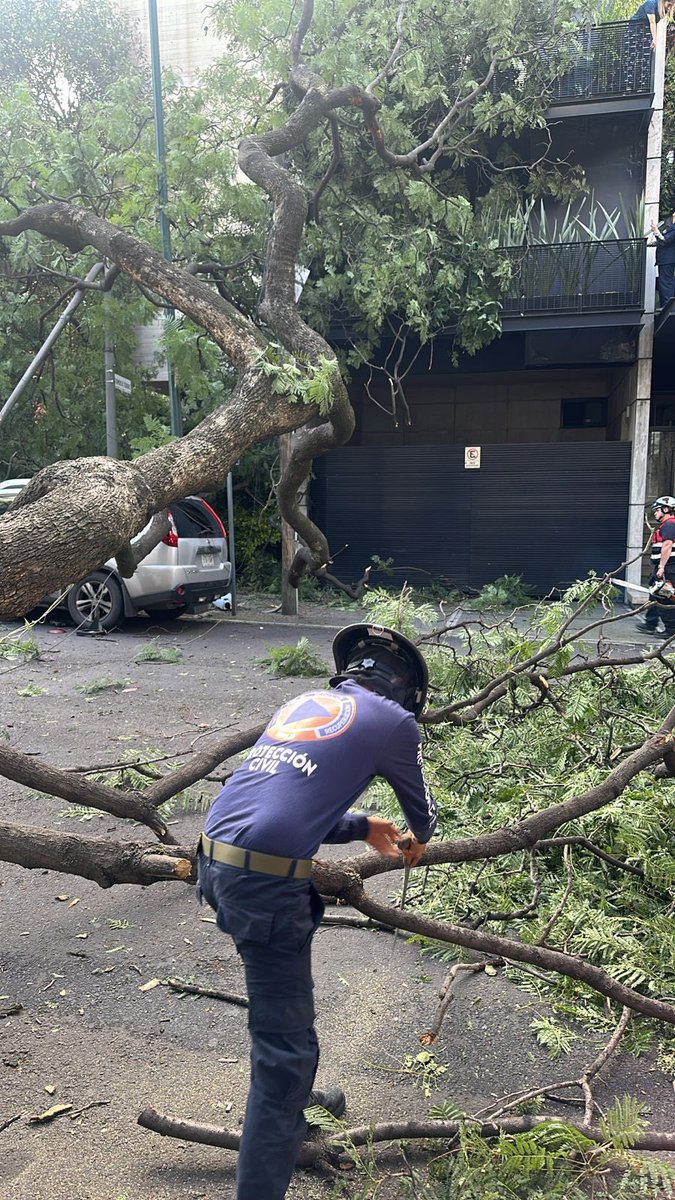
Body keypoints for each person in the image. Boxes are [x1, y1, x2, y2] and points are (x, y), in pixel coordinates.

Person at [197, 623, 437, 1200]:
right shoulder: (396, 722)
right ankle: (276, 1135)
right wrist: (416, 838)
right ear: (407, 694)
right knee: (286, 1053)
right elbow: (422, 813)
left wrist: (361, 825)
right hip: (262, 886)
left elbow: (283, 800)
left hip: (214, 860)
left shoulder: (304, 701)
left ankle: (297, 1108)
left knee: (283, 1005)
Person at [636, 497, 675, 637]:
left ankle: (671, 630)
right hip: (663, 568)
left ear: (666, 509)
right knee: (654, 595)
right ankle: (650, 623)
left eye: (657, 510)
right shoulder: (666, 525)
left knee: (665, 597)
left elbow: (667, 545)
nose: (655, 513)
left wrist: (661, 567)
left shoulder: (670, 525)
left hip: (668, 569)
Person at [651, 213, 675, 306]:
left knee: (666, 282)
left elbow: (665, 241)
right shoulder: (672, 227)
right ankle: (666, 306)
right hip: (666, 259)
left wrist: (656, 230)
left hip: (667, 259)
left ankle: (667, 307)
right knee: (664, 282)